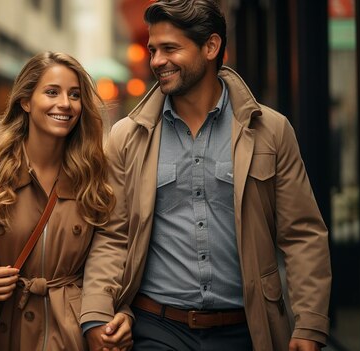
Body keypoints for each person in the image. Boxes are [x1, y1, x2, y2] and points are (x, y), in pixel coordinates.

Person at [80, 1, 332, 351]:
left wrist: (310, 324)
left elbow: (302, 234)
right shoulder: (127, 136)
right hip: (156, 327)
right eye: (153, 50)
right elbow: (112, 235)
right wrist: (96, 313)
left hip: (247, 330)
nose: (156, 61)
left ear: (211, 47)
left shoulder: (270, 131)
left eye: (170, 48)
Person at [0, 51, 133, 350]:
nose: (65, 104)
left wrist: (114, 312)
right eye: (51, 92)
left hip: (70, 331)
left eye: (74, 95)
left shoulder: (96, 171)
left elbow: (109, 252)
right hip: (3, 328)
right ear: (26, 100)